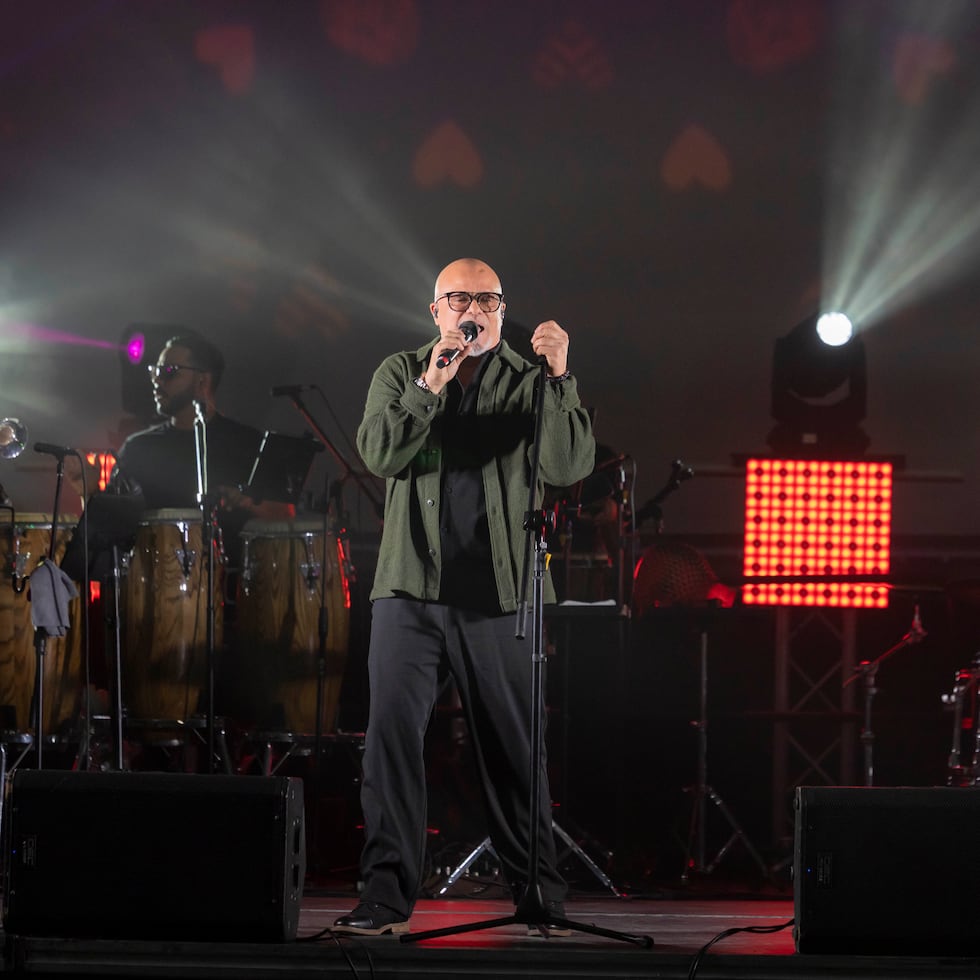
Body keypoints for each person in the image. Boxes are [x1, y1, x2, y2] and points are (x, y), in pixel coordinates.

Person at [333, 258, 596, 936]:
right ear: (435, 311)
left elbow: (568, 467)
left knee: (516, 749)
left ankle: (540, 899)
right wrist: (430, 385)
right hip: (409, 591)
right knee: (390, 743)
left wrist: (563, 378)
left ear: (504, 311)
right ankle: (385, 900)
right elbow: (380, 454)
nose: (472, 309)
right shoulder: (400, 372)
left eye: (487, 299)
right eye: (458, 298)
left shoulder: (531, 378)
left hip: (502, 596)